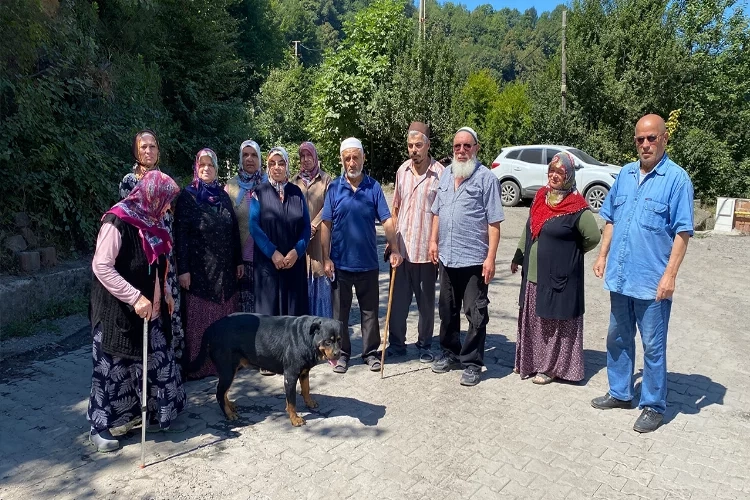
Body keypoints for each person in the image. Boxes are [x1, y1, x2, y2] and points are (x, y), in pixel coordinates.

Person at [591, 114, 694, 433]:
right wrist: (603, 254)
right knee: (618, 337)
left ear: (664, 139)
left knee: (653, 345)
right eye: (640, 139)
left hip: (652, 281)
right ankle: (621, 392)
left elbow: (683, 232)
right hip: (620, 278)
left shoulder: (677, 180)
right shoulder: (624, 174)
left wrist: (670, 275)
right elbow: (610, 218)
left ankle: (653, 404)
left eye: (652, 138)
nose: (646, 144)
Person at [88, 170, 186, 453]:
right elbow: (101, 266)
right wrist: (134, 297)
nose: (168, 207)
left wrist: (164, 292)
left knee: (157, 361)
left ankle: (152, 414)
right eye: (166, 201)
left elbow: (158, 263)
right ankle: (100, 426)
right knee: (111, 370)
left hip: (151, 309)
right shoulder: (117, 221)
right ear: (152, 196)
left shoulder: (152, 222)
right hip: (117, 311)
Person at [510, 152, 601, 385]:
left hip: (559, 276)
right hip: (533, 272)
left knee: (553, 322)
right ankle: (530, 362)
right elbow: (529, 228)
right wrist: (518, 256)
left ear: (569, 175)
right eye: (551, 170)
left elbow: (592, 237)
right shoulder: (541, 196)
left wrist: (568, 252)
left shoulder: (577, 207)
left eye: (560, 172)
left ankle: (551, 368)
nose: (554, 175)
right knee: (535, 319)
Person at [428, 127, 504, 386]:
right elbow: (437, 211)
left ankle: (472, 362)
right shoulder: (447, 175)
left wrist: (491, 258)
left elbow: (494, 223)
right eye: (457, 146)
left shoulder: (486, 179)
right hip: (447, 258)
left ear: (476, 148)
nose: (461, 151)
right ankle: (450, 352)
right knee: (447, 311)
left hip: (474, 260)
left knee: (476, 313)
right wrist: (432, 241)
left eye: (467, 146)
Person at [320, 137, 403, 374]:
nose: (352, 162)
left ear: (363, 158)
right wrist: (326, 258)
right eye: (347, 158)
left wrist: (394, 247)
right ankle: (342, 354)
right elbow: (325, 223)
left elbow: (387, 219)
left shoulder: (374, 187)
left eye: (356, 157)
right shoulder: (334, 188)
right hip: (340, 263)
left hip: (367, 262)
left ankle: (370, 353)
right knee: (340, 315)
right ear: (342, 160)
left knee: (370, 312)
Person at [174, 148, 243, 379]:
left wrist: (238, 261)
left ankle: (225, 362)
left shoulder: (222, 196)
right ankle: (200, 366)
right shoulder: (188, 196)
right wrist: (182, 269)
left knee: (225, 319)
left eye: (210, 165)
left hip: (224, 268)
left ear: (216, 168)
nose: (206, 169)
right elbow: (180, 235)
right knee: (201, 318)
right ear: (196, 167)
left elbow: (233, 229)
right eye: (202, 165)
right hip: (199, 270)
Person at [119, 130, 185, 367]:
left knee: (171, 309)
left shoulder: (165, 180)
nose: (148, 151)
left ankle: (172, 366)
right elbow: (135, 220)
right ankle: (146, 366)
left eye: (152, 147)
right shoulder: (129, 182)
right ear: (136, 150)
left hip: (167, 258)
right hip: (144, 257)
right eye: (143, 147)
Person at [386, 122, 444, 363]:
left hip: (426, 248)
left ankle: (424, 344)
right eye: (410, 146)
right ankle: (397, 344)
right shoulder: (402, 171)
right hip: (402, 249)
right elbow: (396, 207)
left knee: (425, 303)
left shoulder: (441, 173)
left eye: (418, 145)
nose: (414, 150)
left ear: (427, 145)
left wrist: (436, 242)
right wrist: (392, 241)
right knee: (398, 303)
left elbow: (442, 212)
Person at [249, 146, 311, 317]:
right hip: (268, 267)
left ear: (287, 166)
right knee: (270, 319)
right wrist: (272, 252)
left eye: (281, 163)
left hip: (294, 265)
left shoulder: (297, 192)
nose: (277, 167)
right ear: (267, 167)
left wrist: (297, 251)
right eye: (272, 163)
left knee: (294, 318)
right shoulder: (259, 192)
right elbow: (254, 226)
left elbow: (306, 227)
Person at [291, 141, 333, 318]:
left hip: (320, 243)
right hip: (300, 245)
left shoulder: (326, 180)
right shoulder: (293, 181)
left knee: (321, 293)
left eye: (309, 155)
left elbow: (329, 206)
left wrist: (313, 225)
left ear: (315, 157)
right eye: (302, 156)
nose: (306, 159)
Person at [225, 140, 267, 313]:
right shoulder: (231, 186)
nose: (249, 159)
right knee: (246, 311)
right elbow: (227, 224)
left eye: (254, 155)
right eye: (245, 155)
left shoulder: (269, 183)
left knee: (266, 309)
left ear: (260, 159)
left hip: (267, 258)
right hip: (242, 261)